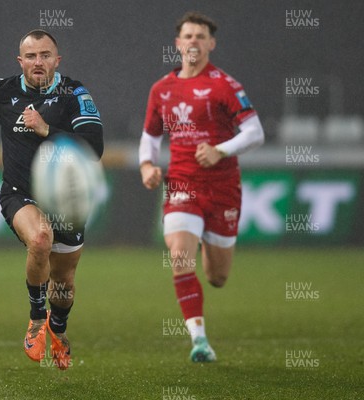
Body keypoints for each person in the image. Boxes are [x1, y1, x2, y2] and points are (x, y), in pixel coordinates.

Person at [0, 29, 103, 370]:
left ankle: (59, 329)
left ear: (57, 60)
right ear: (20, 61)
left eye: (45, 55)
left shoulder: (74, 93)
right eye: (31, 56)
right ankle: (37, 320)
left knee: (63, 282)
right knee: (40, 239)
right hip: (20, 194)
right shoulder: (1, 90)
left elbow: (94, 148)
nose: (39, 62)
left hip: (68, 201)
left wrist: (47, 130)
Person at [139, 12, 264, 362]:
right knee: (180, 255)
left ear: (211, 44)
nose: (193, 41)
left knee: (218, 276)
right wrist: (147, 165)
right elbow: (150, 135)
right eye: (188, 36)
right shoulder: (161, 89)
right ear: (178, 44)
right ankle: (200, 340)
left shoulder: (225, 85)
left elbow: (256, 133)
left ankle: (212, 245)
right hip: (182, 183)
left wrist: (220, 150)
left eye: (200, 36)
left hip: (222, 188)